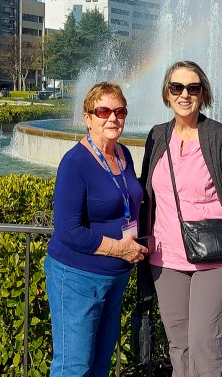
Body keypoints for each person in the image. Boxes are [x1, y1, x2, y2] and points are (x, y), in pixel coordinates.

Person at [139, 61, 222, 376]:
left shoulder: (219, 136)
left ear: (203, 93)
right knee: (179, 346)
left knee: (205, 345)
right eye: (177, 87)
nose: (184, 95)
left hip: (216, 258)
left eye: (193, 88)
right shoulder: (156, 137)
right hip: (166, 259)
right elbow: (144, 195)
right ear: (167, 93)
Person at [46, 81, 148, 376]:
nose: (112, 117)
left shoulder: (124, 154)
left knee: (100, 365)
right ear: (87, 118)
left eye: (119, 110)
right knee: (73, 368)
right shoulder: (75, 162)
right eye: (103, 110)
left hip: (115, 277)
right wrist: (120, 248)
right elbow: (68, 230)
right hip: (77, 277)